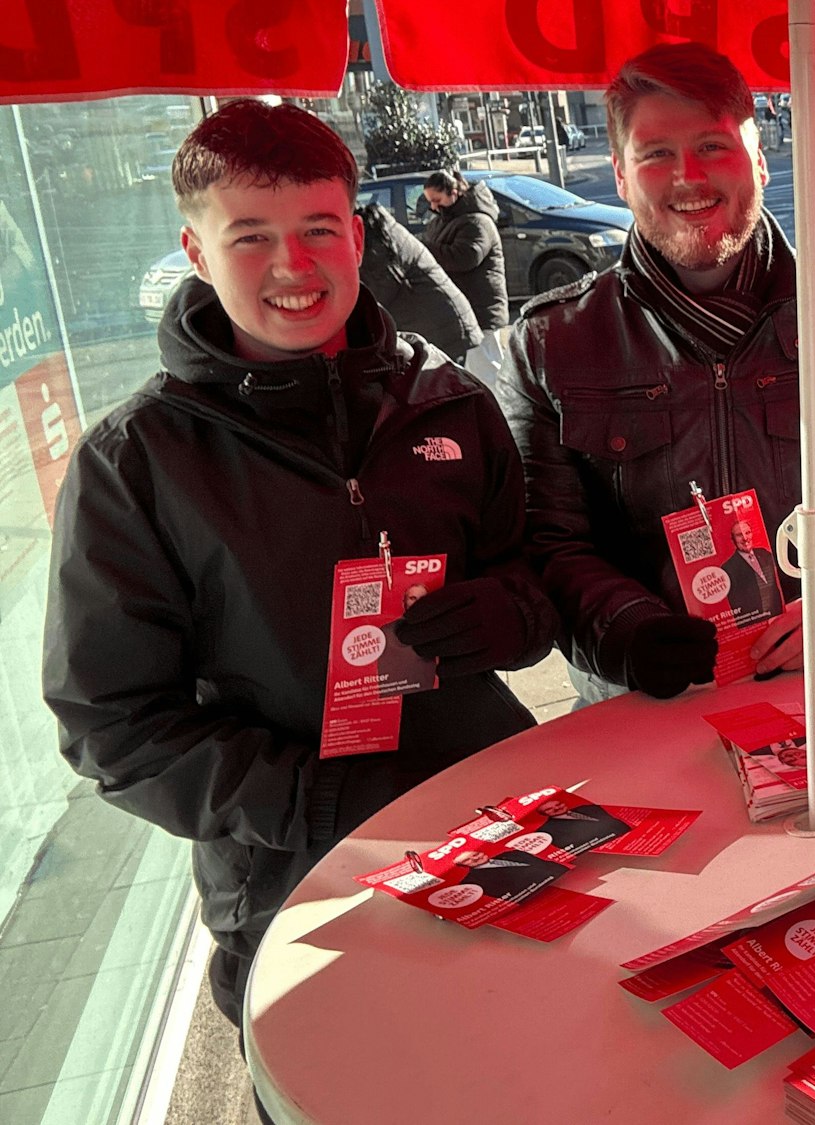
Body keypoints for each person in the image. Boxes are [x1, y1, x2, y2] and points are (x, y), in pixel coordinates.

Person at [43, 101, 557, 1033]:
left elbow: (529, 572)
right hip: (294, 880)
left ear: (358, 237)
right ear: (196, 254)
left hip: (487, 827)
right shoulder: (136, 462)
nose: (293, 266)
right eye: (251, 237)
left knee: (529, 1057)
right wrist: (312, 797)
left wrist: (513, 615)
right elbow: (110, 724)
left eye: (319, 229)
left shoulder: (447, 403)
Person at [498, 42, 815, 705]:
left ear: (759, 158)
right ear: (619, 175)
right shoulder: (549, 342)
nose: (688, 176)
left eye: (713, 145)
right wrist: (626, 632)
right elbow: (546, 540)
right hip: (643, 699)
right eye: (655, 154)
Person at [359, 200, 479, 364]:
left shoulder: (376, 240)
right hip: (437, 324)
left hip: (443, 328)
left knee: (445, 385)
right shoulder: (379, 230)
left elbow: (379, 291)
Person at [421, 168, 508, 382]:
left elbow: (466, 257)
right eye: (429, 201)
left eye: (437, 199)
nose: (433, 206)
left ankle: (504, 411)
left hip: (481, 309)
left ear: (454, 193)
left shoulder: (478, 221)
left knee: (488, 369)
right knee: (476, 370)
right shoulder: (441, 221)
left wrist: (424, 250)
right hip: (463, 310)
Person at [721, 518, 784, 623]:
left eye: (747, 533)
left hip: (778, 617)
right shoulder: (728, 568)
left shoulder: (766, 554)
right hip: (752, 624)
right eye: (739, 535)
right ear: (733, 540)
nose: (745, 538)